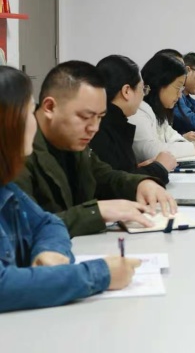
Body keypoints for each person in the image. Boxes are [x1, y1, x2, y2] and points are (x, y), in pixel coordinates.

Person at [0, 66, 141, 311]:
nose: (33, 121)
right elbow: (4, 287)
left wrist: (50, 251)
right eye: (28, 112)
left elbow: (47, 223)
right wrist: (100, 274)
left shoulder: (6, 186)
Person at [15, 61, 175, 238]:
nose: (94, 128)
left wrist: (141, 184)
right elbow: (24, 228)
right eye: (85, 117)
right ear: (50, 107)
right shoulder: (16, 150)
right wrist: (95, 212)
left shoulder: (72, 140)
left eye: (99, 117)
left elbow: (104, 176)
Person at [91, 55, 176, 185]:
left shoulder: (114, 121)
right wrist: (159, 167)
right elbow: (112, 184)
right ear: (126, 91)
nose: (143, 96)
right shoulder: (103, 127)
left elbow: (120, 172)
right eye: (142, 89)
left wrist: (140, 168)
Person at [130, 53, 195, 162]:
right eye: (177, 88)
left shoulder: (159, 111)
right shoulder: (139, 111)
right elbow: (150, 151)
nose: (179, 95)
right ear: (160, 82)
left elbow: (172, 136)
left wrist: (185, 144)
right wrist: (193, 148)